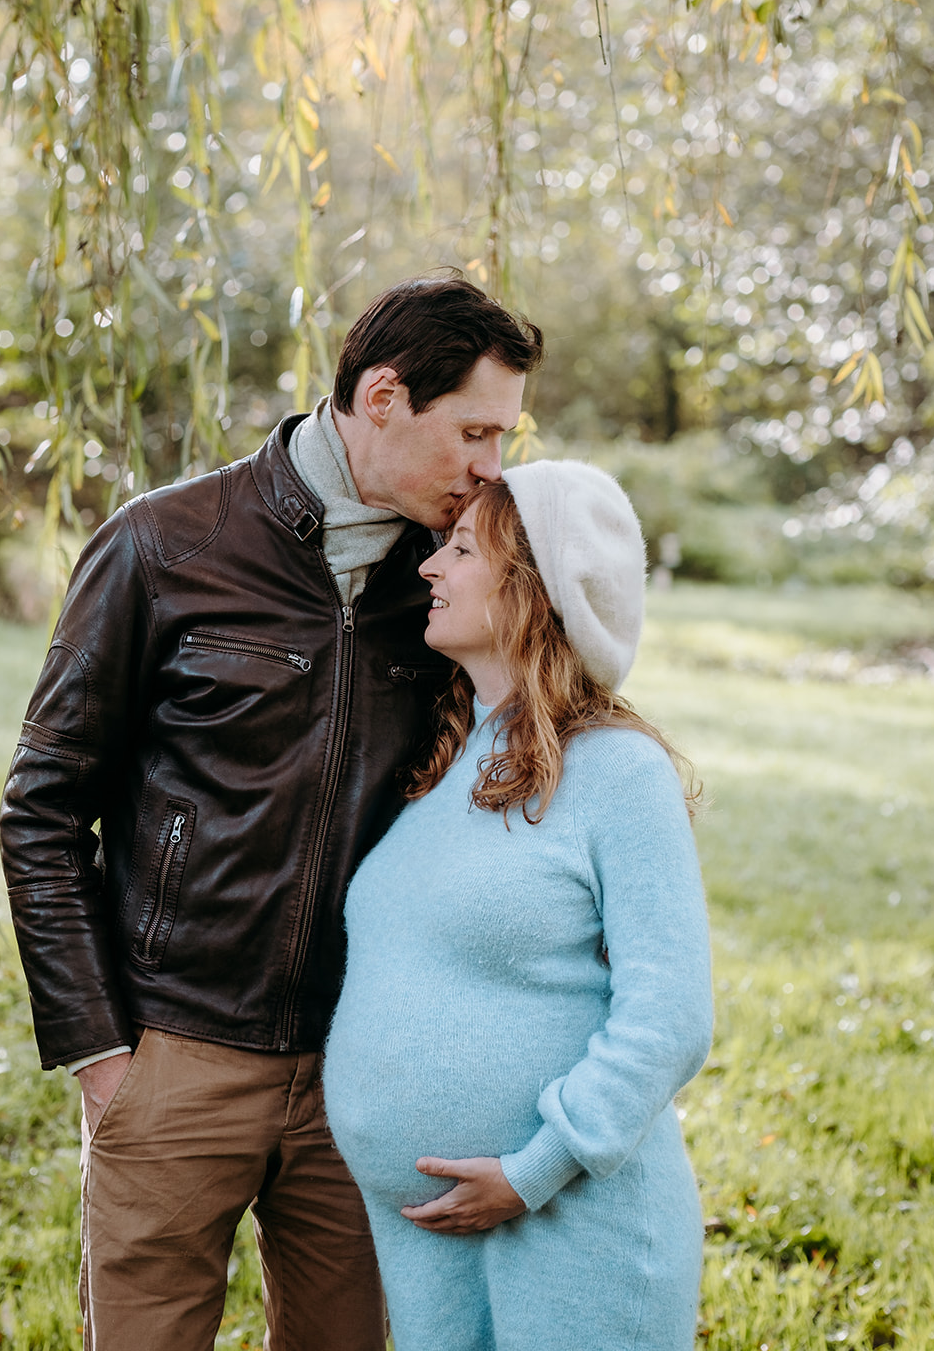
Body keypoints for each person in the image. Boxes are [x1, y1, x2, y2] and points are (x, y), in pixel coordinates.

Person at [0, 273, 543, 1351]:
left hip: (365, 1073)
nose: (492, 467)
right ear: (381, 396)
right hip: (174, 1053)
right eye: (475, 430)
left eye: (504, 436)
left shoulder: (448, 584)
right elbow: (43, 809)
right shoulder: (161, 544)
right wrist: (101, 1048)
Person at [324, 460, 713, 1351]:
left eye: (460, 550)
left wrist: (534, 1169)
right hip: (428, 1238)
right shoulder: (455, 757)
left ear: (536, 586)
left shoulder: (617, 771)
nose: (429, 568)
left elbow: (671, 1016)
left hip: (573, 1230)